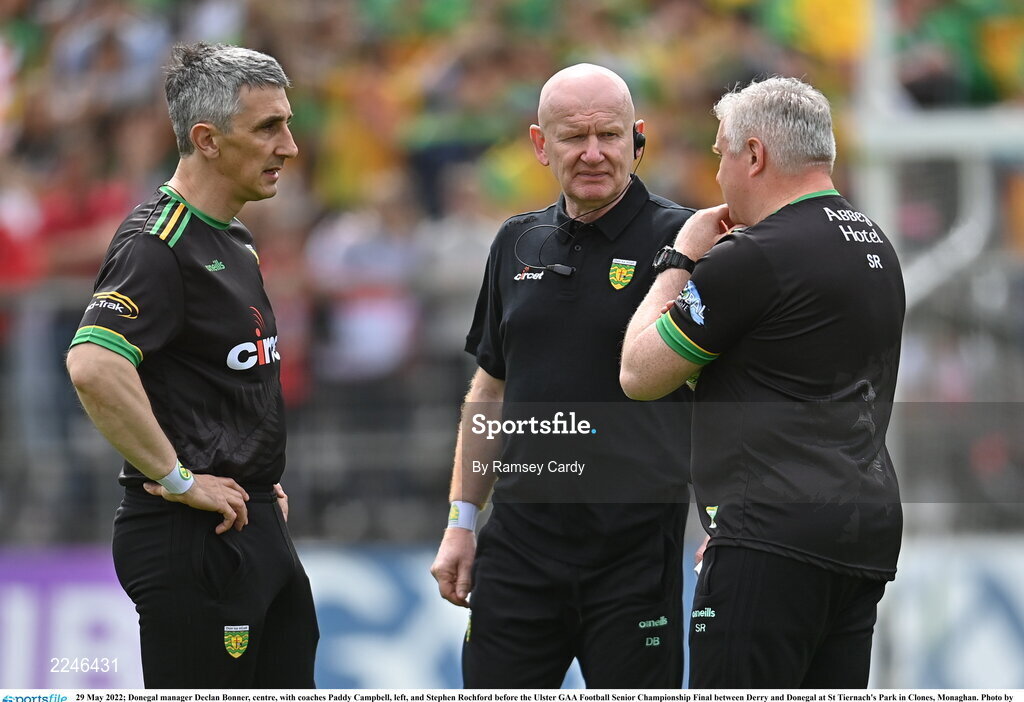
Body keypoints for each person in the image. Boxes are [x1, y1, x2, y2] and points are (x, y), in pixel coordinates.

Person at [620, 76, 905, 688]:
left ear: (755, 155)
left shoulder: (755, 255)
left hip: (773, 533)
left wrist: (680, 259)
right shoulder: (875, 245)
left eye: (721, 153)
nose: (718, 174)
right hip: (861, 535)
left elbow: (639, 373)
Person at [429, 63, 694, 688]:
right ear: (540, 145)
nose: (594, 153)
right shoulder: (515, 243)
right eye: (575, 136)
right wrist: (461, 523)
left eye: (610, 134)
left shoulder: (685, 241)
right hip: (518, 549)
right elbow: (489, 392)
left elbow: (726, 392)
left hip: (636, 554)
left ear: (639, 138)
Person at [65, 42, 318, 688]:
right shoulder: (158, 243)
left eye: (286, 123)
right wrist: (179, 479)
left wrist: (254, 467)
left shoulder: (233, 237)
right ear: (206, 139)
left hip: (250, 520)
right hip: (196, 536)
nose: (288, 146)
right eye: (268, 127)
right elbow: (94, 364)